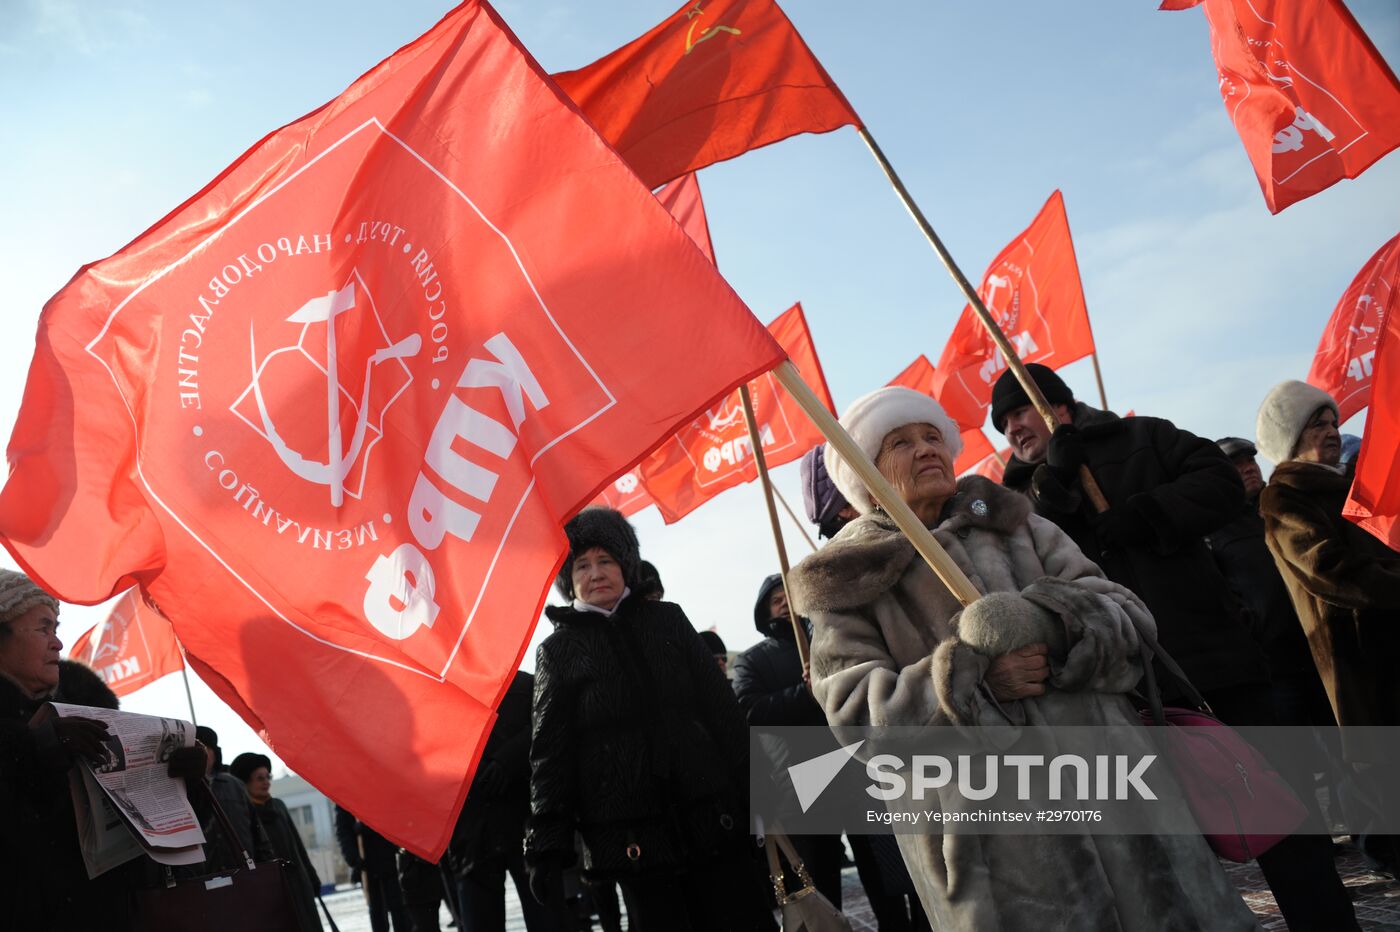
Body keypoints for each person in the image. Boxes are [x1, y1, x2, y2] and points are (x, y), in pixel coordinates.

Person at [790, 386, 1260, 931]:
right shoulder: (847, 576)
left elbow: (1129, 619)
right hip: (998, 851)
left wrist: (1050, 623)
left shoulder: (1016, 521)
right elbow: (858, 718)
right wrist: (978, 682)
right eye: (899, 443)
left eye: (931, 436)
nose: (926, 449)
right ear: (866, 475)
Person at [992, 366, 1357, 930]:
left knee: (1287, 828)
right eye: (1004, 422)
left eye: (1020, 411)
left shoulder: (1145, 437)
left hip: (1217, 661)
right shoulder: (1012, 500)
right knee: (1176, 856)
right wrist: (1055, 490)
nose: (1013, 428)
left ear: (1055, 404)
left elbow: (1218, 483)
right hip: (1122, 696)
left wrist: (1146, 515)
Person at [525, 507, 764, 932]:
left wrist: (760, 791)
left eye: (606, 560)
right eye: (582, 564)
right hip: (629, 835)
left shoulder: (667, 619)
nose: (596, 573)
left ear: (626, 566)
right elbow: (550, 754)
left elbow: (721, 710)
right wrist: (546, 843)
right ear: (568, 578)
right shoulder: (557, 652)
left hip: (711, 814)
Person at [1257, 380, 1400, 872]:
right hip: (1357, 659)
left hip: (1390, 647)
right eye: (1317, 423)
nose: (1332, 431)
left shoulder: (1354, 487)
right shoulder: (1284, 498)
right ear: (1291, 436)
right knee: (1385, 785)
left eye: (1334, 421)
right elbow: (1328, 571)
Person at [733, 574, 844, 908]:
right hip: (798, 785)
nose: (784, 605)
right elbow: (750, 710)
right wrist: (804, 693)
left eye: (789, 597)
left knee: (883, 876)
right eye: (776, 600)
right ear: (764, 611)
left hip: (853, 772)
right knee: (816, 888)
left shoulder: (832, 640)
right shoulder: (752, 660)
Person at [446, 669, 562, 932]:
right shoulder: (439, 693)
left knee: (545, 917)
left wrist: (508, 759)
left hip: (521, 825)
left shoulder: (523, 684)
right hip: (476, 832)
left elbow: (551, 722)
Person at [231, 752, 324, 932]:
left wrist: (311, 876)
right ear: (245, 782)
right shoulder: (244, 813)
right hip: (272, 890)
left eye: (268, 777)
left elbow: (297, 845)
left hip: (298, 884)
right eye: (259, 778)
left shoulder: (278, 806)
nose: (266, 782)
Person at [194, 725, 274, 864]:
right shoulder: (179, 791)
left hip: (245, 873)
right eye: (196, 749)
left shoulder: (234, 786)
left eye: (207, 747)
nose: (203, 753)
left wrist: (267, 868)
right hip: (203, 879)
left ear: (216, 753)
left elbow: (259, 836)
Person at [335, 804, 411, 932]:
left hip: (390, 861)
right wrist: (353, 858)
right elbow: (343, 832)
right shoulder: (345, 799)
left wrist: (367, 827)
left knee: (400, 911)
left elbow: (392, 818)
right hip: (367, 866)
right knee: (377, 913)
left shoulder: (378, 791)